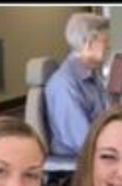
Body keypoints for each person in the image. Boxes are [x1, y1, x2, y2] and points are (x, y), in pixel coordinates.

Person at [44, 12, 110, 157]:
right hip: (80, 162)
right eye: (105, 41)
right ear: (89, 43)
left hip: (99, 148)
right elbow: (84, 143)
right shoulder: (64, 85)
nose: (109, 46)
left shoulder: (92, 73)